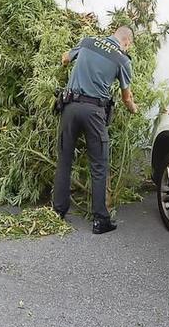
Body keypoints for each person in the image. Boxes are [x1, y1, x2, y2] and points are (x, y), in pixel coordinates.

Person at [52, 26, 139, 234]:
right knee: (99, 165)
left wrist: (68, 63)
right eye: (129, 46)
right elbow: (126, 96)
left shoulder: (88, 41)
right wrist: (134, 109)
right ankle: (100, 220)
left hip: (70, 108)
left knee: (64, 161)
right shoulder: (122, 60)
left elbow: (65, 58)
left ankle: (58, 212)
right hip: (94, 113)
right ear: (126, 42)